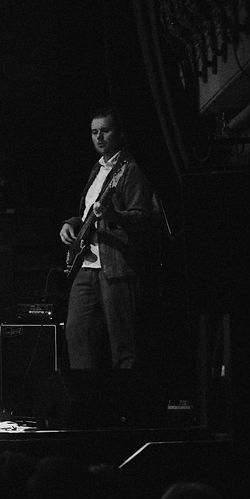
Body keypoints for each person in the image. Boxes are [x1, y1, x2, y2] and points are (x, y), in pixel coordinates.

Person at [58, 107, 156, 371]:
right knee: (77, 334)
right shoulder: (97, 169)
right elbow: (88, 214)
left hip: (116, 267)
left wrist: (114, 215)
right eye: (94, 132)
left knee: (123, 345)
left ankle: (125, 395)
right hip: (86, 266)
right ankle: (87, 393)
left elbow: (142, 217)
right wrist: (71, 224)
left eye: (105, 131)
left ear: (119, 134)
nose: (99, 137)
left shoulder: (130, 169)